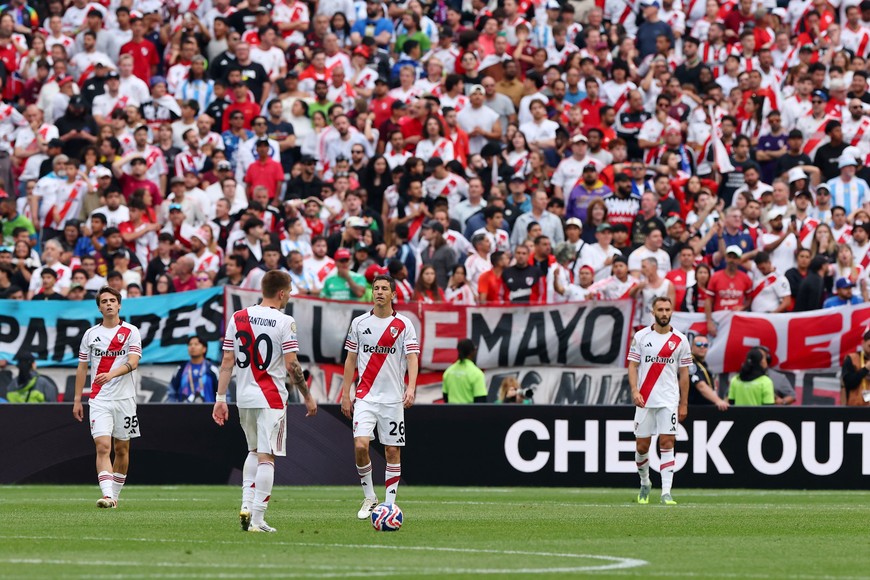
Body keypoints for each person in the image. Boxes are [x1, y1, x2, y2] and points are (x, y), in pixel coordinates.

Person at [212, 270, 317, 533]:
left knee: (252, 451)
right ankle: (257, 518)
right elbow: (292, 363)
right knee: (267, 456)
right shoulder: (285, 321)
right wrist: (306, 395)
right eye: (290, 291)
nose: (290, 295)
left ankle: (246, 505)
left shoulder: (238, 317)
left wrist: (220, 398)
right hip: (271, 397)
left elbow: (227, 360)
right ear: (281, 293)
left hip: (244, 396)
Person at [340, 275, 419, 519]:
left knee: (392, 451)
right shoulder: (359, 323)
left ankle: (389, 505)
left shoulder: (404, 324)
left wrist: (411, 388)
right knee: (361, 445)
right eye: (376, 288)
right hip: (365, 396)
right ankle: (369, 497)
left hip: (393, 398)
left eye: (385, 289)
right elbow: (351, 359)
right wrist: (346, 394)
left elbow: (412, 358)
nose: (380, 292)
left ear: (393, 294)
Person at [72, 286, 143, 509]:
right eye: (104, 301)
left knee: (122, 449)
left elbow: (133, 362)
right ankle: (108, 496)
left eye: (113, 300)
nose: (109, 304)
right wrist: (77, 399)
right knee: (103, 447)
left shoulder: (131, 331)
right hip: (99, 399)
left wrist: (112, 373)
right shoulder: (91, 334)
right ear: (99, 307)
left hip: (125, 399)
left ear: (119, 305)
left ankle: (115, 496)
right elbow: (82, 367)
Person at [627, 296, 690, 506]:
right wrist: (635, 391)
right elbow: (632, 366)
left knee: (667, 442)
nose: (664, 313)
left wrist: (683, 403)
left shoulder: (680, 340)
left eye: (667, 310)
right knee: (642, 446)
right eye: (660, 310)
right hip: (644, 399)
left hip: (668, 400)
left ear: (672, 312)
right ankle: (645, 483)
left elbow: (684, 373)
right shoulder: (641, 336)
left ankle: (666, 492)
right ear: (652, 312)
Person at [168, 336, 220, 403]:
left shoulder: (212, 369)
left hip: (208, 411)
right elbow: (172, 392)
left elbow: (223, 392)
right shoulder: (181, 369)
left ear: (204, 349)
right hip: (183, 411)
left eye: (196, 344)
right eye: (190, 344)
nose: (192, 347)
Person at [687, 336, 728, 410]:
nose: (702, 347)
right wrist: (718, 401)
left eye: (705, 345)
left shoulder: (703, 364)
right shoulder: (690, 363)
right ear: (692, 347)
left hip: (704, 408)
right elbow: (701, 386)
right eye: (699, 344)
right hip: (693, 409)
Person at [442, 339, 487, 404]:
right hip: (469, 413)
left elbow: (445, 397)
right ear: (472, 352)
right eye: (475, 349)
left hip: (450, 412)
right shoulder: (476, 373)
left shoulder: (448, 371)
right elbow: (481, 400)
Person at [841, 329, 870, 406]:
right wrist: (865, 369)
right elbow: (849, 383)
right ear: (863, 343)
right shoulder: (852, 359)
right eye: (869, 346)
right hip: (855, 409)